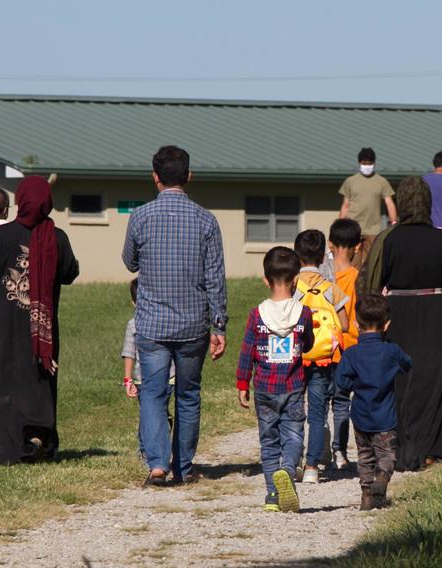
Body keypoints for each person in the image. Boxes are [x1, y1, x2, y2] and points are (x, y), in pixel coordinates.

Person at [122, 145, 228, 487]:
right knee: (188, 394)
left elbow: (130, 262)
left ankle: (156, 463)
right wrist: (220, 325)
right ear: (189, 177)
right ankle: (182, 465)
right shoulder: (206, 221)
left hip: (151, 323)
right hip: (193, 323)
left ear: (155, 178)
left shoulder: (140, 217)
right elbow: (215, 277)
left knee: (152, 392)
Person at [0, 176, 80, 464]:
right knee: (38, 380)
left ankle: (4, 447)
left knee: (2, 381)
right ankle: (39, 438)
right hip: (41, 326)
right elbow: (70, 273)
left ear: (20, 200)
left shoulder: (0, 236)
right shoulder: (56, 237)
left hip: (2, 324)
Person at [364, 176, 442, 471]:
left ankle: (402, 447)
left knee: (400, 379)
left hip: (399, 312)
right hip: (436, 310)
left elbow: (373, 281)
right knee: (434, 378)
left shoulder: (388, 238)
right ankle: (431, 449)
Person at [236, 247, 314, 513]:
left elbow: (247, 352)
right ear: (296, 280)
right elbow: (309, 344)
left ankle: (272, 494)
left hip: (265, 389)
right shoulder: (304, 314)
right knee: (293, 435)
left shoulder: (257, 316)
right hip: (292, 387)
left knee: (268, 441)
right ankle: (289, 471)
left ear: (266, 280)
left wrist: (242, 383)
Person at [334, 294, 411, 510]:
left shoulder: (351, 354)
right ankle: (382, 479)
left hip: (360, 416)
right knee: (386, 454)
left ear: (357, 325)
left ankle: (366, 496)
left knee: (365, 456)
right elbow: (408, 364)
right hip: (385, 417)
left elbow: (341, 382)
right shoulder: (392, 351)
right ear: (387, 325)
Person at [293, 229, 350, 484]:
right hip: (323, 359)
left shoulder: (293, 286)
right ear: (322, 257)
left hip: (295, 358)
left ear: (297, 255)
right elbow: (346, 325)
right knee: (318, 414)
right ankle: (312, 467)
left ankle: (290, 461)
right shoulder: (331, 288)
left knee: (294, 411)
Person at [122, 278, 176, 460]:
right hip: (141, 379)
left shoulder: (138, 323)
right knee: (152, 411)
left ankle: (148, 450)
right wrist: (128, 379)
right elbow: (129, 352)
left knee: (150, 411)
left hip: (166, 377)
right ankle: (147, 448)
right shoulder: (133, 325)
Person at [327, 219, 362, 471]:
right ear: (358, 247)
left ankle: (316, 450)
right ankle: (339, 450)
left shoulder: (322, 278)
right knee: (342, 402)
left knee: (318, 402)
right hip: (349, 349)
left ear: (330, 244)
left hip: (322, 347)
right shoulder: (358, 279)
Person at [338, 147, 397, 267]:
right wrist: (340, 226)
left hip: (373, 230)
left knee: (371, 263)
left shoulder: (381, 181)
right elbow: (345, 205)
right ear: (359, 163)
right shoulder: (350, 181)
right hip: (353, 228)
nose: (367, 166)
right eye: (364, 163)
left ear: (374, 163)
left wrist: (394, 222)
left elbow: (390, 203)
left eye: (369, 163)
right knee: (353, 263)